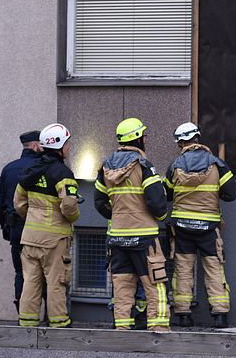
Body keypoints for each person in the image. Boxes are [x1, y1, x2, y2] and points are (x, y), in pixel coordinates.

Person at [93, 118, 170, 332]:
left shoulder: (105, 167)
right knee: (155, 285)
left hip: (117, 236)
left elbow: (99, 202)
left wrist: (118, 215)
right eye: (143, 135)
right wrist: (162, 218)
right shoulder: (144, 166)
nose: (145, 139)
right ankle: (159, 329)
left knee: (122, 286)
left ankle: (122, 330)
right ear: (137, 138)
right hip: (144, 238)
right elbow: (157, 201)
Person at [165, 122, 236, 328]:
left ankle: (183, 315)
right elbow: (232, 194)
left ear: (181, 142)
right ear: (197, 137)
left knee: (183, 270)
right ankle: (220, 315)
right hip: (208, 227)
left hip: (182, 228)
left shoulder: (175, 165)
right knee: (214, 269)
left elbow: (167, 194)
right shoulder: (217, 164)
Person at [14, 123, 81, 328]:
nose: (69, 148)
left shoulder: (30, 170)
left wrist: (34, 220)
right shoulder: (63, 173)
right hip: (54, 240)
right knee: (56, 282)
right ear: (60, 146)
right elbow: (69, 206)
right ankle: (59, 322)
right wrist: (72, 218)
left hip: (30, 238)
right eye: (67, 144)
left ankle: (27, 322)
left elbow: (18, 203)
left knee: (31, 281)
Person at [0, 130, 43, 313]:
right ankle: (47, 315)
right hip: (40, 227)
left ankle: (24, 314)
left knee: (21, 272)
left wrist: (4, 226)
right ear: (35, 146)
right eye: (42, 144)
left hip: (16, 227)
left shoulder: (9, 169)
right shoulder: (43, 166)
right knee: (44, 271)